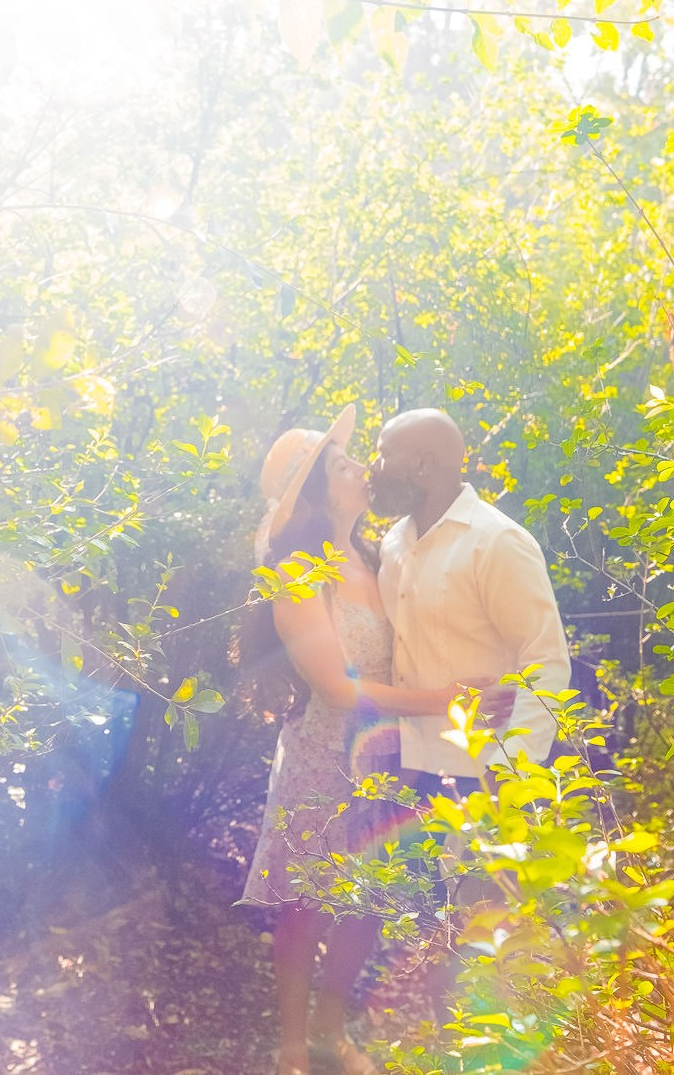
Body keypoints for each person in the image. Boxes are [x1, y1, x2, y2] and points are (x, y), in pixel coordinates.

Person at [237, 405, 514, 1075]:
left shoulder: (378, 555)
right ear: (316, 493)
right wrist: (445, 701)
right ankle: (293, 1046)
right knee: (308, 904)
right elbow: (338, 687)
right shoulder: (299, 575)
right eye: (342, 465)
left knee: (368, 901)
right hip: (322, 756)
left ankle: (331, 1031)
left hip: (386, 756)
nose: (362, 468)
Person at [368, 407, 570, 824]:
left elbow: (546, 661)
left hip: (480, 776)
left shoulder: (497, 541)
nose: (373, 467)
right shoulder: (393, 542)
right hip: (401, 776)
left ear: (422, 464)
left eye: (384, 454)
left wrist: (508, 771)